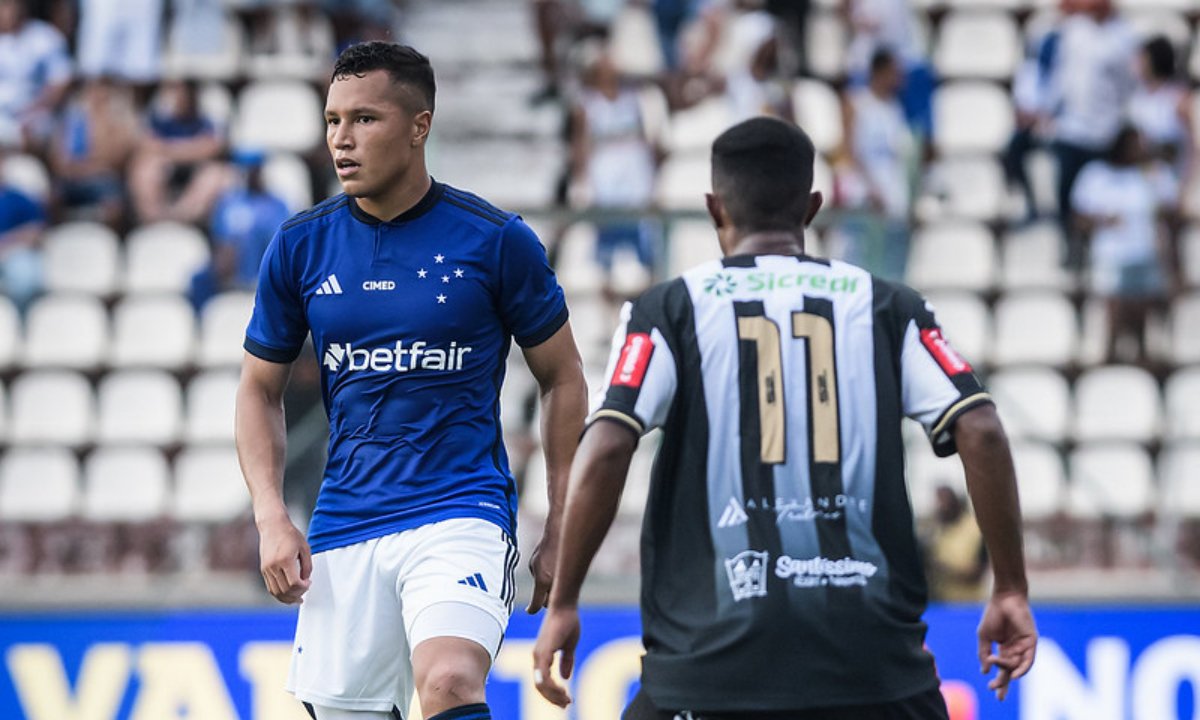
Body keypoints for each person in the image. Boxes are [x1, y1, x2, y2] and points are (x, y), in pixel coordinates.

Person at [533, 116, 1037, 718]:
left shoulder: (668, 310)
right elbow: (979, 427)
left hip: (708, 667)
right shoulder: (887, 306)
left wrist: (565, 599)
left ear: (715, 207)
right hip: (874, 672)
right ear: (814, 207)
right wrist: (1009, 586)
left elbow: (610, 441)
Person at [235, 42, 588, 720]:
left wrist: (561, 525)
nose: (341, 139)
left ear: (419, 126)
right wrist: (271, 516)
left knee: (451, 681)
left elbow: (563, 378)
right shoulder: (301, 245)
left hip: (461, 511)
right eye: (332, 119)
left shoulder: (495, 241)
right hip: (345, 526)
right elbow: (257, 389)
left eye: (364, 119)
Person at [1071, 125, 1173, 366]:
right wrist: (1103, 220)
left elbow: (1167, 211)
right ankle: (1110, 354)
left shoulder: (1152, 173)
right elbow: (1079, 218)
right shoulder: (1096, 174)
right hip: (1112, 253)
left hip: (1145, 251)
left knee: (1142, 306)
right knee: (1113, 305)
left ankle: (1141, 355)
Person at [1049, 0, 1136, 270]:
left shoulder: (1123, 36)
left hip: (1103, 132)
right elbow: (1060, 74)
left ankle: (1092, 250)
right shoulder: (1073, 31)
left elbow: (1127, 84)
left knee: (1096, 197)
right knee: (1066, 195)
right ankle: (1070, 246)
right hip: (1071, 129)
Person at [188, 148, 290, 311]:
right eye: (245, 168)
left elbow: (282, 244)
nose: (249, 173)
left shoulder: (277, 204)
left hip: (263, 269)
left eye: (254, 169)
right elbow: (220, 239)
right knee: (199, 279)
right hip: (230, 270)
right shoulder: (228, 202)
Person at [923, 485, 988, 603]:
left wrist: (944, 569)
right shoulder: (936, 531)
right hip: (941, 604)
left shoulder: (976, 529)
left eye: (944, 501)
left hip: (969, 606)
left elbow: (978, 574)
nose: (940, 507)